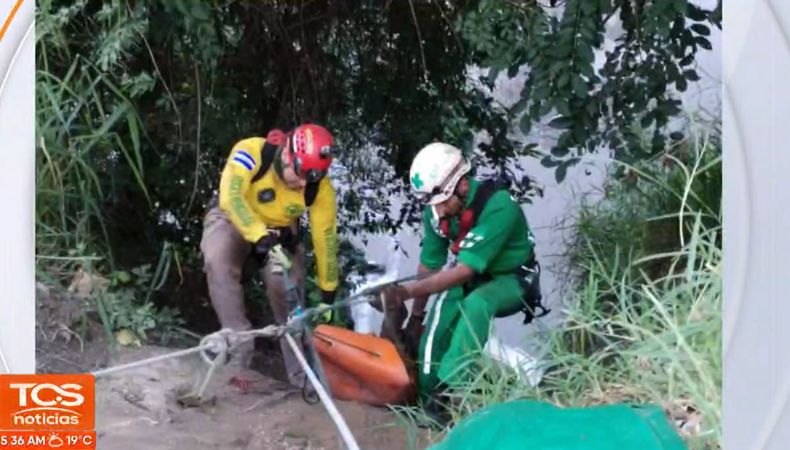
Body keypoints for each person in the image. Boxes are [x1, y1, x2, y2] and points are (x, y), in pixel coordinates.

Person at [382, 142, 545, 421]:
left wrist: (405, 292)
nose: (441, 211)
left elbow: (465, 271)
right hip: (472, 275)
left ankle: (450, 389)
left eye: (444, 202)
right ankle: (427, 398)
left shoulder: (499, 207)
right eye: (435, 205)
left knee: (476, 305)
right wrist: (416, 316)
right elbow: (430, 266)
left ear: (462, 185)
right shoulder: (436, 210)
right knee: (438, 319)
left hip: (512, 278)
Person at [200, 123, 340, 388]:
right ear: (288, 155)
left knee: (285, 285)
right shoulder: (251, 152)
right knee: (217, 259)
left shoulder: (317, 188)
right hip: (234, 218)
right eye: (299, 174)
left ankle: (300, 374)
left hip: (279, 231)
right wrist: (257, 234)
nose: (302, 184)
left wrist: (327, 292)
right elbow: (231, 196)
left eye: (310, 180)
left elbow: (326, 238)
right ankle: (238, 350)